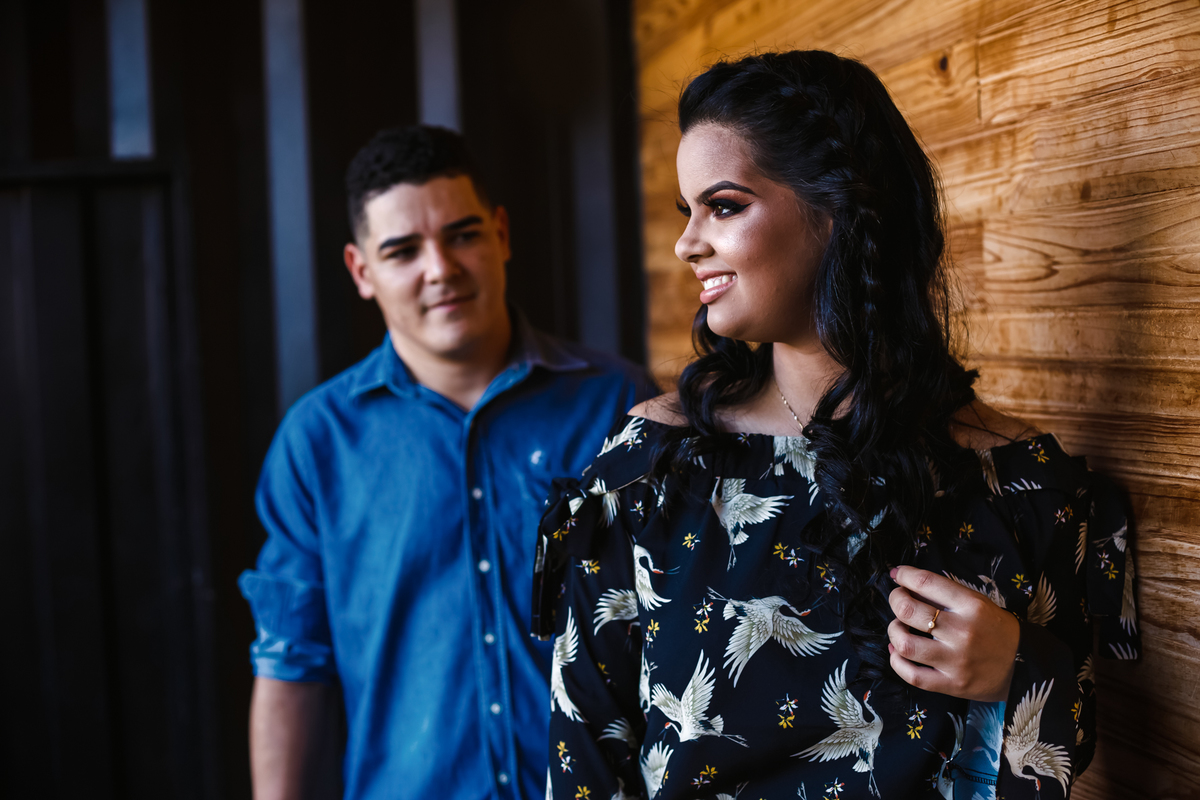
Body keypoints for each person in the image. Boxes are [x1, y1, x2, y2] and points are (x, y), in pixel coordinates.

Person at [534, 51, 1140, 800]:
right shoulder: (654, 470)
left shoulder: (1017, 482)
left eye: (722, 206)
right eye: (685, 212)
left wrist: (1021, 665)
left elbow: (1058, 756)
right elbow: (585, 753)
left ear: (841, 209)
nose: (688, 242)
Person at [240, 125, 656, 800]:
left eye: (462, 234)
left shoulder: (620, 405)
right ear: (361, 271)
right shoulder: (317, 442)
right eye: (403, 250)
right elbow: (291, 660)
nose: (440, 268)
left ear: (501, 234)